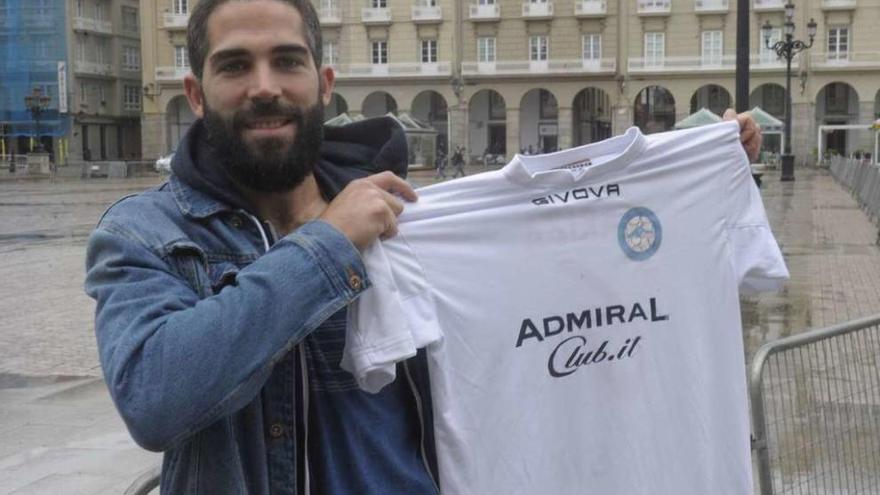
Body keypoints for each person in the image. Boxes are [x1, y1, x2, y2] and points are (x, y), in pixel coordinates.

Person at [85, 1, 763, 493]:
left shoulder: (408, 221)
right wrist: (326, 246)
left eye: (286, 61)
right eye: (236, 65)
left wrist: (692, 157)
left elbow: (559, 250)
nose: (265, 85)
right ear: (197, 94)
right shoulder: (144, 235)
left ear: (322, 84)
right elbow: (155, 395)